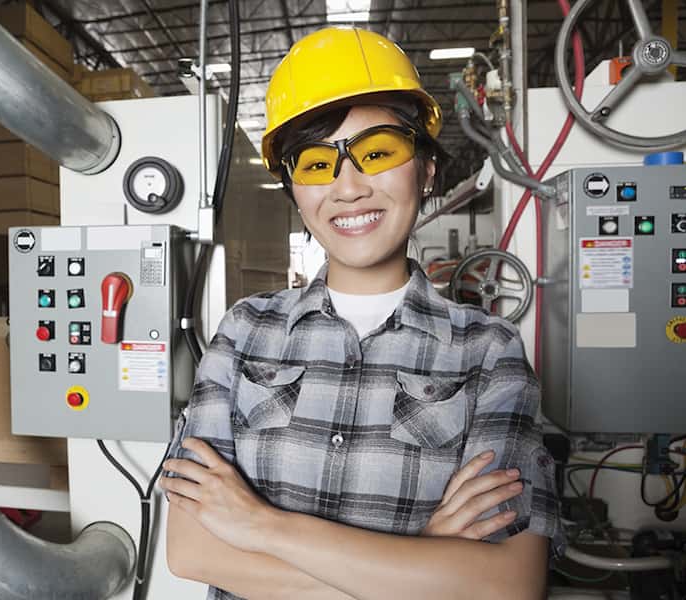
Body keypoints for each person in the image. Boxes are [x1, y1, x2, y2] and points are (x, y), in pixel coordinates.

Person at [160, 27, 565, 600]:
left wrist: (259, 524)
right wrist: (419, 563)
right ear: (296, 191)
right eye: (318, 164)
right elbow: (192, 550)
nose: (347, 188)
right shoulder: (245, 331)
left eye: (377, 153)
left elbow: (507, 583)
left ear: (425, 170)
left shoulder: (487, 350)